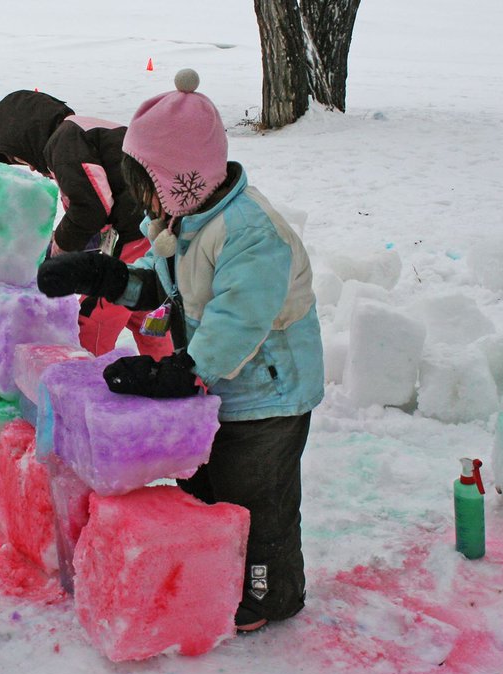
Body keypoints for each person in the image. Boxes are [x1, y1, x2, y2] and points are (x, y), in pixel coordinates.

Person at [35, 70, 324, 633]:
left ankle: (271, 594)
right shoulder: (184, 219)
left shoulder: (250, 233)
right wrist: (104, 276)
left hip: (269, 395)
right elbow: (160, 282)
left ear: (177, 177)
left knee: (255, 498)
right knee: (205, 484)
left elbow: (238, 322)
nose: (140, 198)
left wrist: (184, 370)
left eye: (144, 183)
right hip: (219, 382)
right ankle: (215, 574)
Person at [0, 90, 172, 360]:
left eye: (21, 159)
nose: (31, 168)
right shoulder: (77, 131)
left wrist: (59, 248)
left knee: (93, 317)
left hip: (135, 232)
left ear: (27, 136)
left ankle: (84, 376)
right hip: (151, 228)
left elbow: (91, 208)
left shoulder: (64, 142)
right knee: (144, 314)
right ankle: (171, 372)